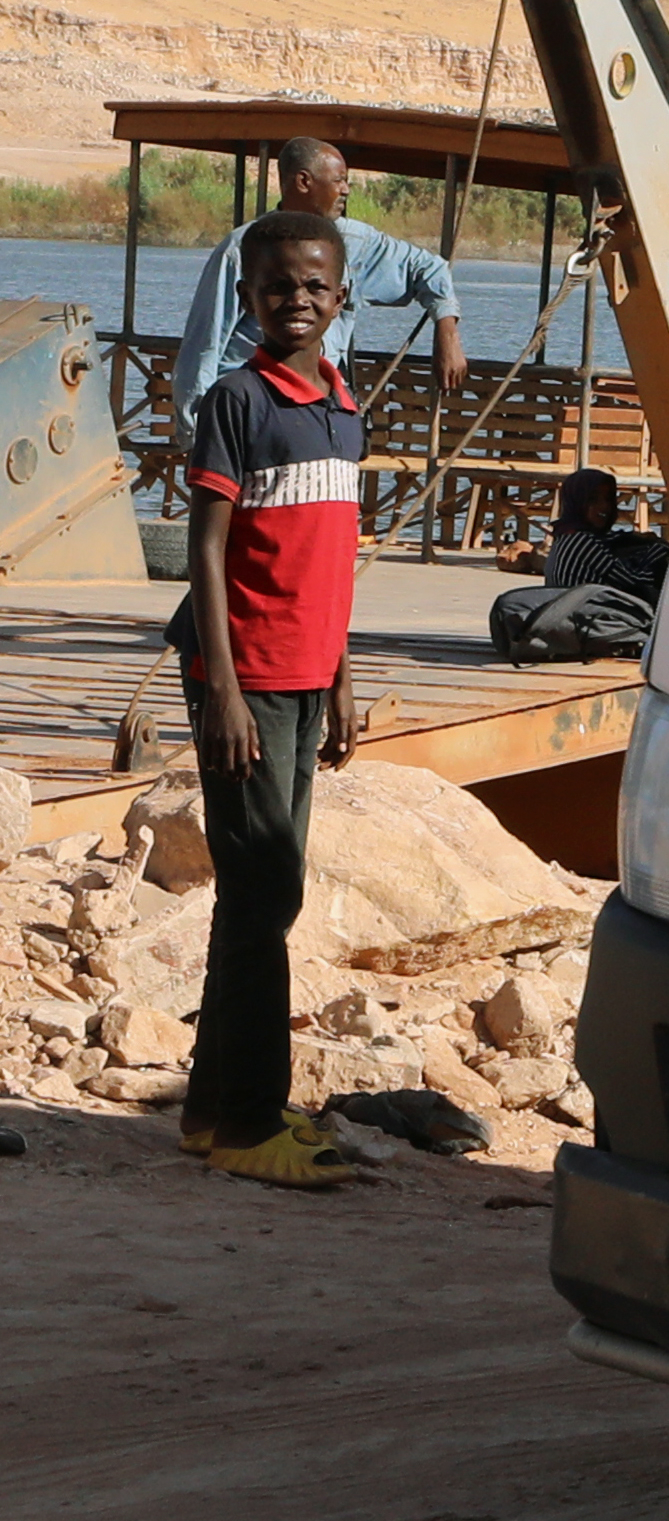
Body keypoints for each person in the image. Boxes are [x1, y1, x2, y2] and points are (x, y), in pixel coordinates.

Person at [175, 213, 370, 1192]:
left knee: (262, 892)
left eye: (315, 285)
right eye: (277, 287)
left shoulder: (342, 406)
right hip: (243, 682)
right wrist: (226, 692)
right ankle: (252, 1120)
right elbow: (208, 550)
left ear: (341, 296)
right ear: (249, 298)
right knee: (265, 890)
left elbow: (335, 557)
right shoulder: (239, 402)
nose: (297, 300)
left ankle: (217, 1110)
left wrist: (341, 675)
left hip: (305, 676)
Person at [177, 141, 463, 430]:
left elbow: (430, 269)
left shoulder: (355, 244)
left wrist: (446, 330)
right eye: (339, 180)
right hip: (249, 409)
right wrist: (197, 430)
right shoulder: (243, 249)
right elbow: (205, 342)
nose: (346, 190)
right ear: (304, 181)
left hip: (317, 408)